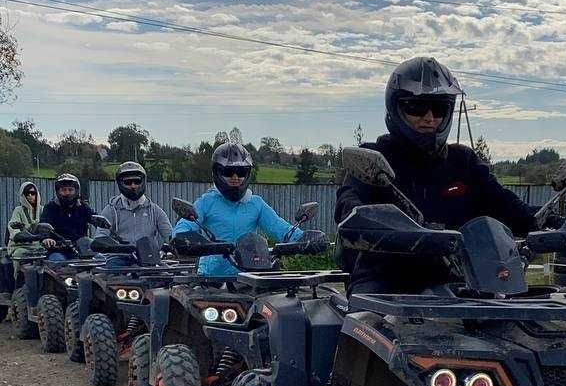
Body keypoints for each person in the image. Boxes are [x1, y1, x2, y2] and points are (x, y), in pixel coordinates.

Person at [335, 55, 540, 293]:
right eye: (417, 107)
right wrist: (365, 219)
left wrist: (550, 223)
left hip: (464, 282)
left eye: (440, 108)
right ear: (396, 107)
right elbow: (347, 207)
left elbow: (506, 205)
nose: (430, 117)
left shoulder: (464, 163)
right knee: (367, 322)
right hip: (385, 282)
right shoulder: (372, 158)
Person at [172, 133, 320, 277]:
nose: (235, 177)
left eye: (241, 172)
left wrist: (304, 239)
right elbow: (185, 224)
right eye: (229, 172)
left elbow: (279, 227)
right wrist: (182, 237)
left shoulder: (256, 204)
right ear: (217, 172)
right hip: (212, 279)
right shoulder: (207, 202)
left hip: (250, 277)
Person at [100, 161, 172, 249]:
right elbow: (101, 236)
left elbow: (170, 236)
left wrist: (174, 244)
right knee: (113, 263)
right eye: (128, 182)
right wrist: (108, 245)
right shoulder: (111, 210)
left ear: (144, 181)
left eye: (137, 181)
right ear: (120, 183)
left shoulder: (155, 211)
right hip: (118, 257)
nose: (133, 186)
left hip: (148, 257)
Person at [40, 173, 95, 260]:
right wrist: (46, 238)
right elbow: (44, 224)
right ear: (58, 191)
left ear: (76, 191)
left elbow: (95, 218)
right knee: (57, 263)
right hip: (58, 249)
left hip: (81, 250)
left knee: (101, 260)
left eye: (70, 190)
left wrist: (102, 225)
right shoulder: (51, 207)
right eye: (64, 190)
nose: (67, 193)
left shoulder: (83, 206)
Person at [7, 181, 47, 274]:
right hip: (20, 245)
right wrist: (20, 234)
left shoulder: (43, 210)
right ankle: (18, 281)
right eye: (26, 193)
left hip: (39, 245)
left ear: (37, 194)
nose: (30, 196)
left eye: (33, 193)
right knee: (20, 253)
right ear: (22, 195)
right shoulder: (18, 210)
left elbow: (48, 226)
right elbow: (13, 229)